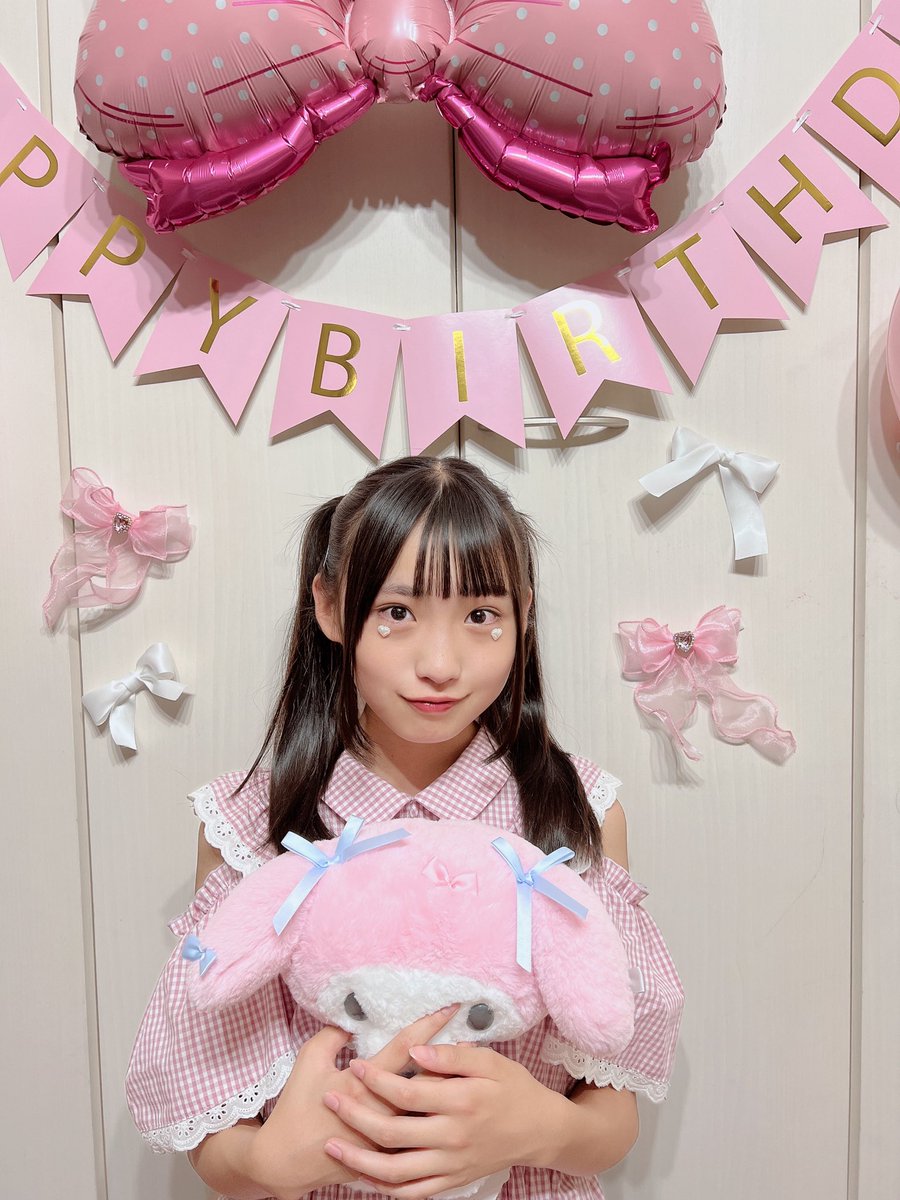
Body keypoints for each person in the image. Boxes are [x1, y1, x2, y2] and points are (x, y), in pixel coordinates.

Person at [125, 455, 683, 1200]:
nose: (440, 664)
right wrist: (267, 1164)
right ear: (330, 608)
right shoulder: (251, 823)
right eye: (397, 612)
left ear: (522, 615)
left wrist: (536, 1127)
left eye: (480, 616)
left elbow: (612, 1117)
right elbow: (211, 1124)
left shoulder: (576, 812)